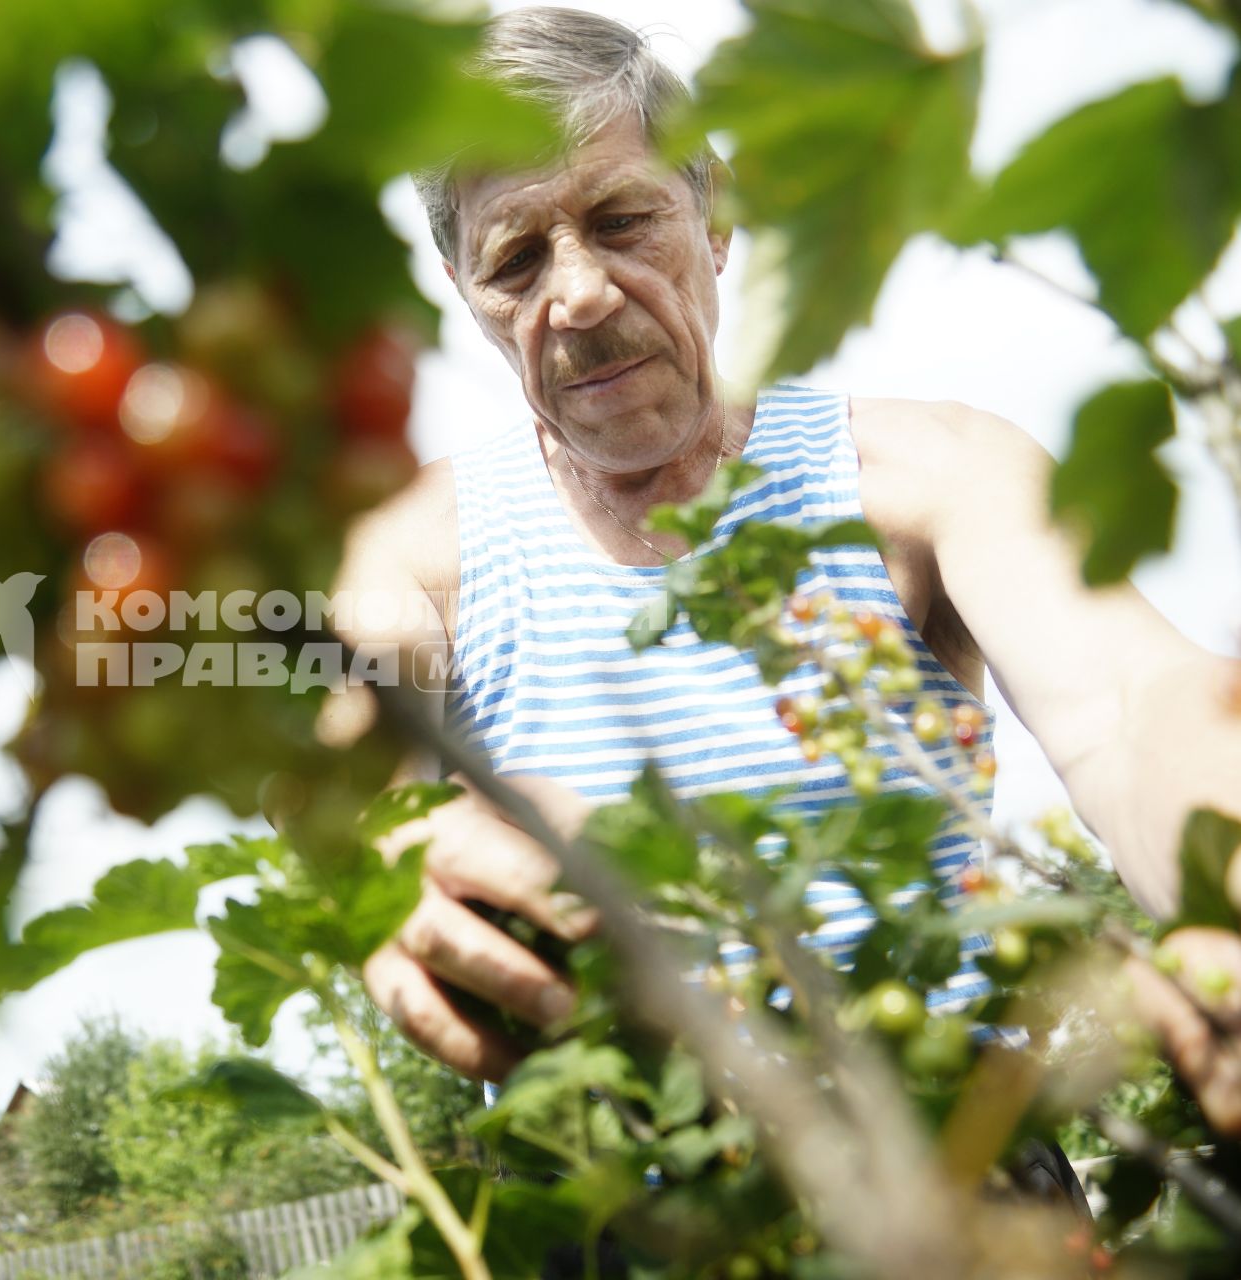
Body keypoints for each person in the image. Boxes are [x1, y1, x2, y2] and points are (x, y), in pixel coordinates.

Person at [324, 6, 1241, 1114]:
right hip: (625, 1197)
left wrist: (1220, 876)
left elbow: (1129, 708)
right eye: (515, 259)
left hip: (959, 1161)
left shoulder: (927, 476)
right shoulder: (409, 556)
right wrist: (398, 851)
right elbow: (355, 800)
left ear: (715, 218)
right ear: (465, 296)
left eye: (622, 219)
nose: (576, 294)